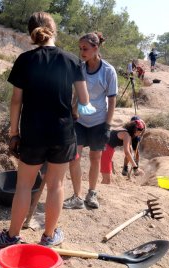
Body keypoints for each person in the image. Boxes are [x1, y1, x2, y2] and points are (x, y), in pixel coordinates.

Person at [0, 12, 93, 248]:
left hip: (33, 133)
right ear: (53, 29)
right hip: (62, 133)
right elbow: (85, 99)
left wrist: (13, 133)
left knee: (24, 185)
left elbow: (16, 101)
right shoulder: (71, 60)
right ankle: (48, 237)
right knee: (56, 185)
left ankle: (11, 236)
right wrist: (74, 107)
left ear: (31, 33)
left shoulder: (24, 60)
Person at [63, 31, 117, 210]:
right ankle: (77, 197)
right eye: (80, 49)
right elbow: (77, 93)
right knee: (74, 158)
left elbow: (112, 100)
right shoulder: (80, 67)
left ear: (96, 48)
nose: (82, 52)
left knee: (95, 157)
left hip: (98, 122)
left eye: (85, 48)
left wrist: (107, 126)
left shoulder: (108, 71)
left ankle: (92, 193)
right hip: (79, 120)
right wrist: (72, 112)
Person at [100, 119, 146, 184]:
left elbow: (129, 150)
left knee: (108, 178)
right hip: (106, 150)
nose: (140, 134)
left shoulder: (123, 130)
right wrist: (135, 167)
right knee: (107, 180)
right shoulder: (127, 135)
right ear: (135, 130)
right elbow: (127, 152)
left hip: (103, 147)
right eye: (140, 132)